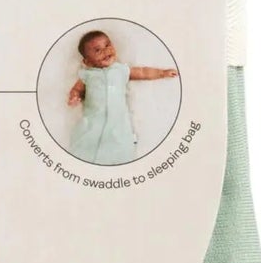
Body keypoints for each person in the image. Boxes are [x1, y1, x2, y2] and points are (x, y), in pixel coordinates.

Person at [66, 29, 179, 166]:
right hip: (93, 120)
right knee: (88, 142)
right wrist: (74, 96)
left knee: (120, 144)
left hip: (118, 121)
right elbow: (77, 89)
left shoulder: (121, 69)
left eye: (107, 45)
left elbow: (142, 72)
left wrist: (162, 73)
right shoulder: (87, 75)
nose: (105, 51)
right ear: (87, 61)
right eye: (97, 50)